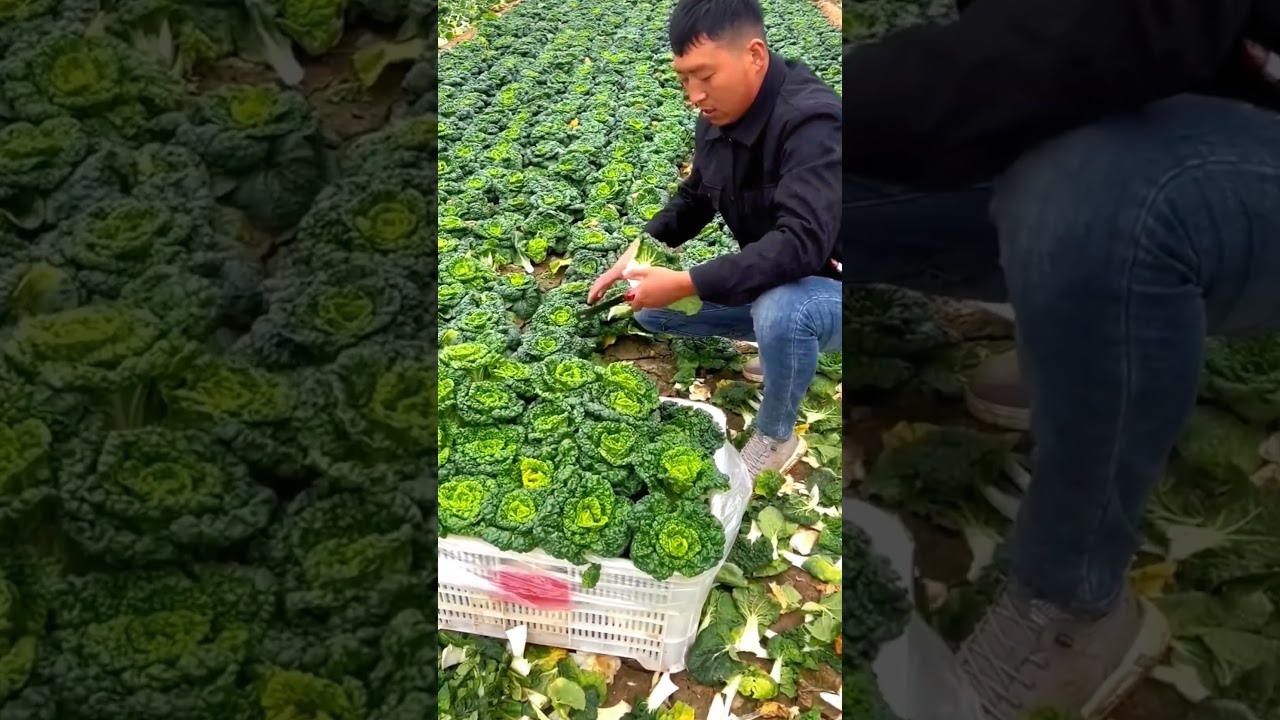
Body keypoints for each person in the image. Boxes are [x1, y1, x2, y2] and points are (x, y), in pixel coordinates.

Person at [843, 0, 1280, 718]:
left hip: (1231, 131)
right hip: (1178, 92)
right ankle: (1089, 346)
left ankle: (1070, 599)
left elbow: (1120, 31)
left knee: (1103, 198)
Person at [586, 0, 842, 479]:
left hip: (838, 285)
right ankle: (780, 343)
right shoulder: (719, 116)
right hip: (781, 278)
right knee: (651, 308)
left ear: (755, 55)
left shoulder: (813, 122)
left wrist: (687, 281)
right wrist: (638, 253)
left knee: (785, 310)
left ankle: (776, 436)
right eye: (684, 77)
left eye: (705, 75)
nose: (694, 94)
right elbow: (695, 198)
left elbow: (802, 244)